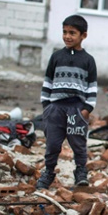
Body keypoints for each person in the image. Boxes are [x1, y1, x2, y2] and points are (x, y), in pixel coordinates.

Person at [38, 14, 97, 189]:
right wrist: (46, 105)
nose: (67, 36)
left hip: (76, 109)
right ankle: (48, 172)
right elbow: (47, 81)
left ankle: (80, 171)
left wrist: (87, 109)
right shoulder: (56, 56)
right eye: (64, 32)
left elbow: (92, 87)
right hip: (55, 108)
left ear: (83, 35)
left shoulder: (88, 60)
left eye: (72, 33)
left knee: (78, 143)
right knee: (53, 143)